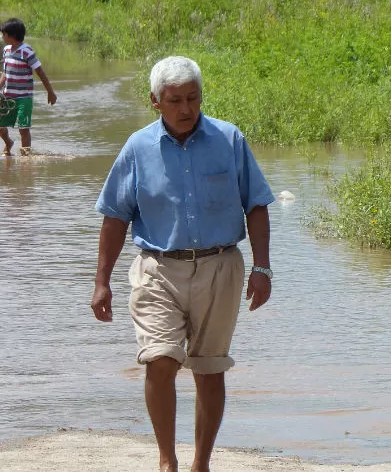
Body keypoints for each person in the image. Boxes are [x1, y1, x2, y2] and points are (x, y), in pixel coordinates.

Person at [90, 56, 274, 472]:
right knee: (160, 358)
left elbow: (257, 204)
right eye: (175, 100)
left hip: (220, 266)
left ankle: (201, 464)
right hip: (157, 267)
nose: (187, 108)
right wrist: (102, 281)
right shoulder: (137, 148)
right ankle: (167, 461)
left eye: (193, 98)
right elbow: (115, 216)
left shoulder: (229, 140)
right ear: (155, 101)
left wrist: (262, 268)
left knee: (210, 369)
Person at [0, 18, 57, 156]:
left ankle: (26, 155)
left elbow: (40, 72)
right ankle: (8, 142)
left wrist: (50, 92)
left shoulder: (26, 51)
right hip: (7, 96)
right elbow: (5, 73)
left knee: (23, 128)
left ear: (12, 36)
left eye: (4, 34)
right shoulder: (6, 50)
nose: (2, 37)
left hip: (24, 98)